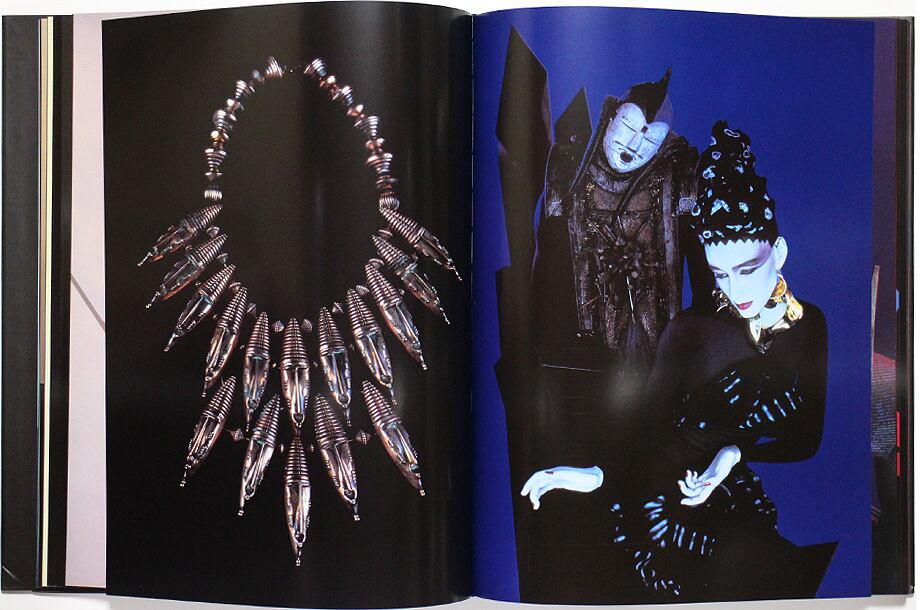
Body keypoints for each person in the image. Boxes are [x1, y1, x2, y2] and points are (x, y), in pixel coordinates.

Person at [521, 121, 833, 601]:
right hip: (657, 498)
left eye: (748, 269)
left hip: (723, 488)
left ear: (780, 253)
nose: (736, 289)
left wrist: (732, 456)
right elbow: (642, 431)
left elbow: (805, 440)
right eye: (721, 274)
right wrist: (589, 474)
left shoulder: (810, 327)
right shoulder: (692, 331)